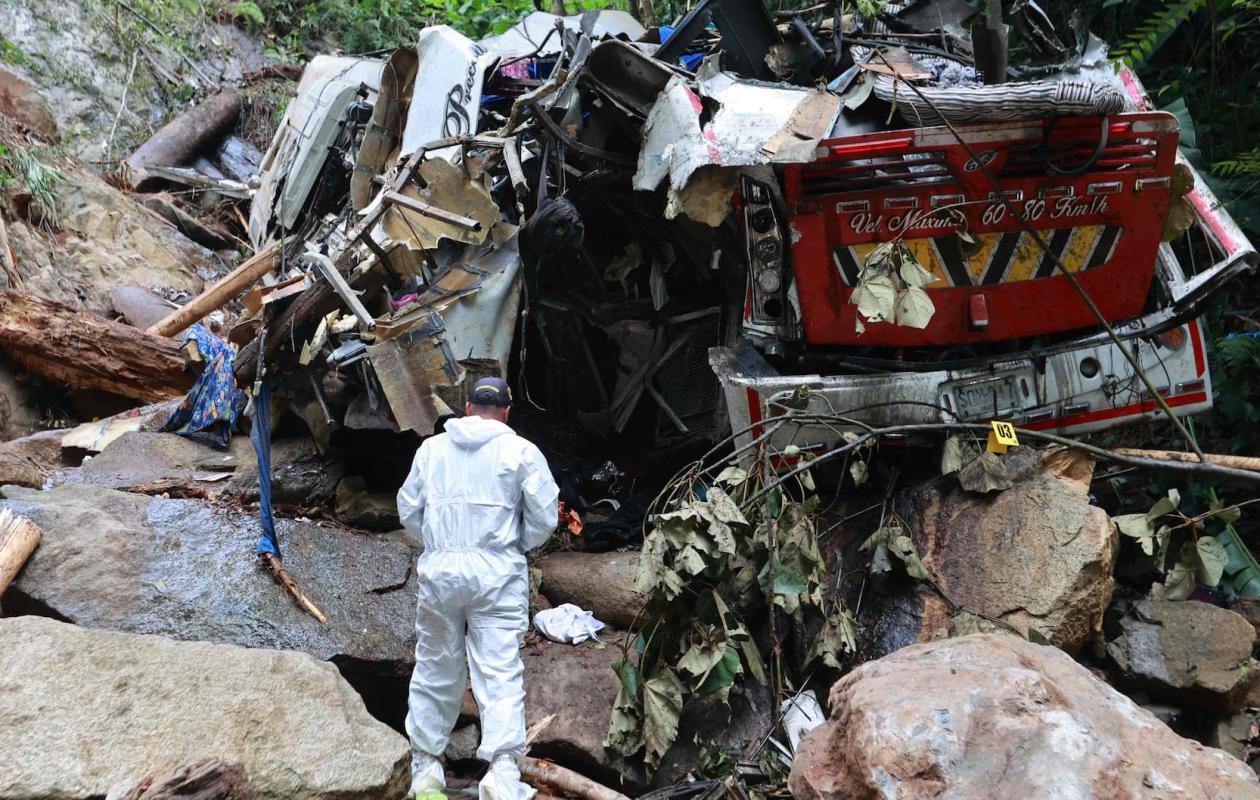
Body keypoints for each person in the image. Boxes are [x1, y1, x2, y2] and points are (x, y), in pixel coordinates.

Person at [397, 376, 559, 800]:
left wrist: (439, 544)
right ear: (506, 412)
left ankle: (426, 770)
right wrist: (515, 546)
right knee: (500, 670)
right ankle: (502, 777)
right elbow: (545, 518)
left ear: (466, 408)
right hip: (497, 574)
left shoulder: (432, 450)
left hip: (441, 572)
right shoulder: (521, 451)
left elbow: (408, 510)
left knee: (435, 668)